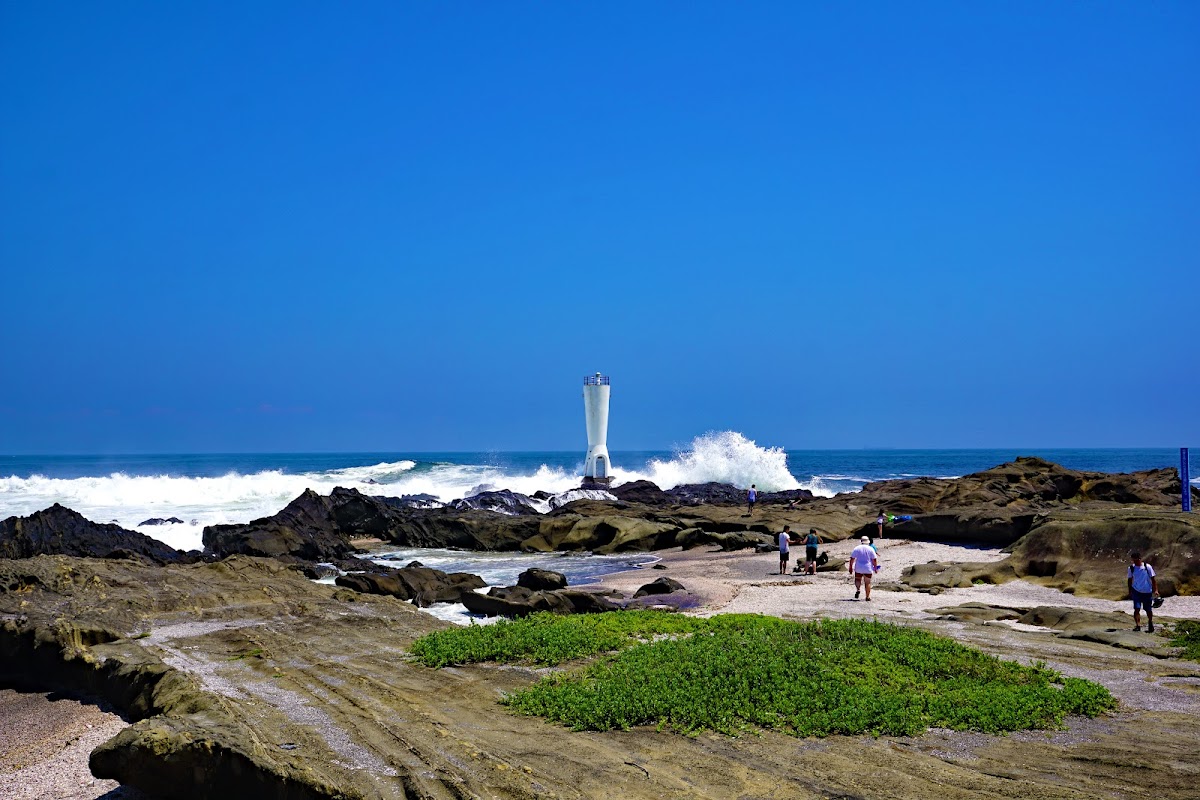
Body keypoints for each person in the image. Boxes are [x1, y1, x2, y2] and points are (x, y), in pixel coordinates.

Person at [1127, 552, 1160, 633]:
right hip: (1136, 591)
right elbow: (1129, 580)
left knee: (1148, 609)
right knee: (1137, 608)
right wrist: (1130, 591)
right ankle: (1138, 625)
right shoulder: (1131, 568)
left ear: (1140, 558)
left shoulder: (1147, 567)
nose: (1135, 561)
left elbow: (1153, 579)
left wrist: (1155, 590)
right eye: (1133, 560)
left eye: (1136, 559)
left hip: (1147, 591)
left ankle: (1150, 622)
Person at [849, 535, 879, 601]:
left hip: (859, 567)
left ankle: (858, 589)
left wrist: (850, 567)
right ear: (868, 542)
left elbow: (852, 559)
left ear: (861, 541)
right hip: (868, 567)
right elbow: (874, 559)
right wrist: (876, 568)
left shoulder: (857, 548)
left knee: (857, 579)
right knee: (867, 582)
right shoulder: (871, 549)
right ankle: (867, 597)